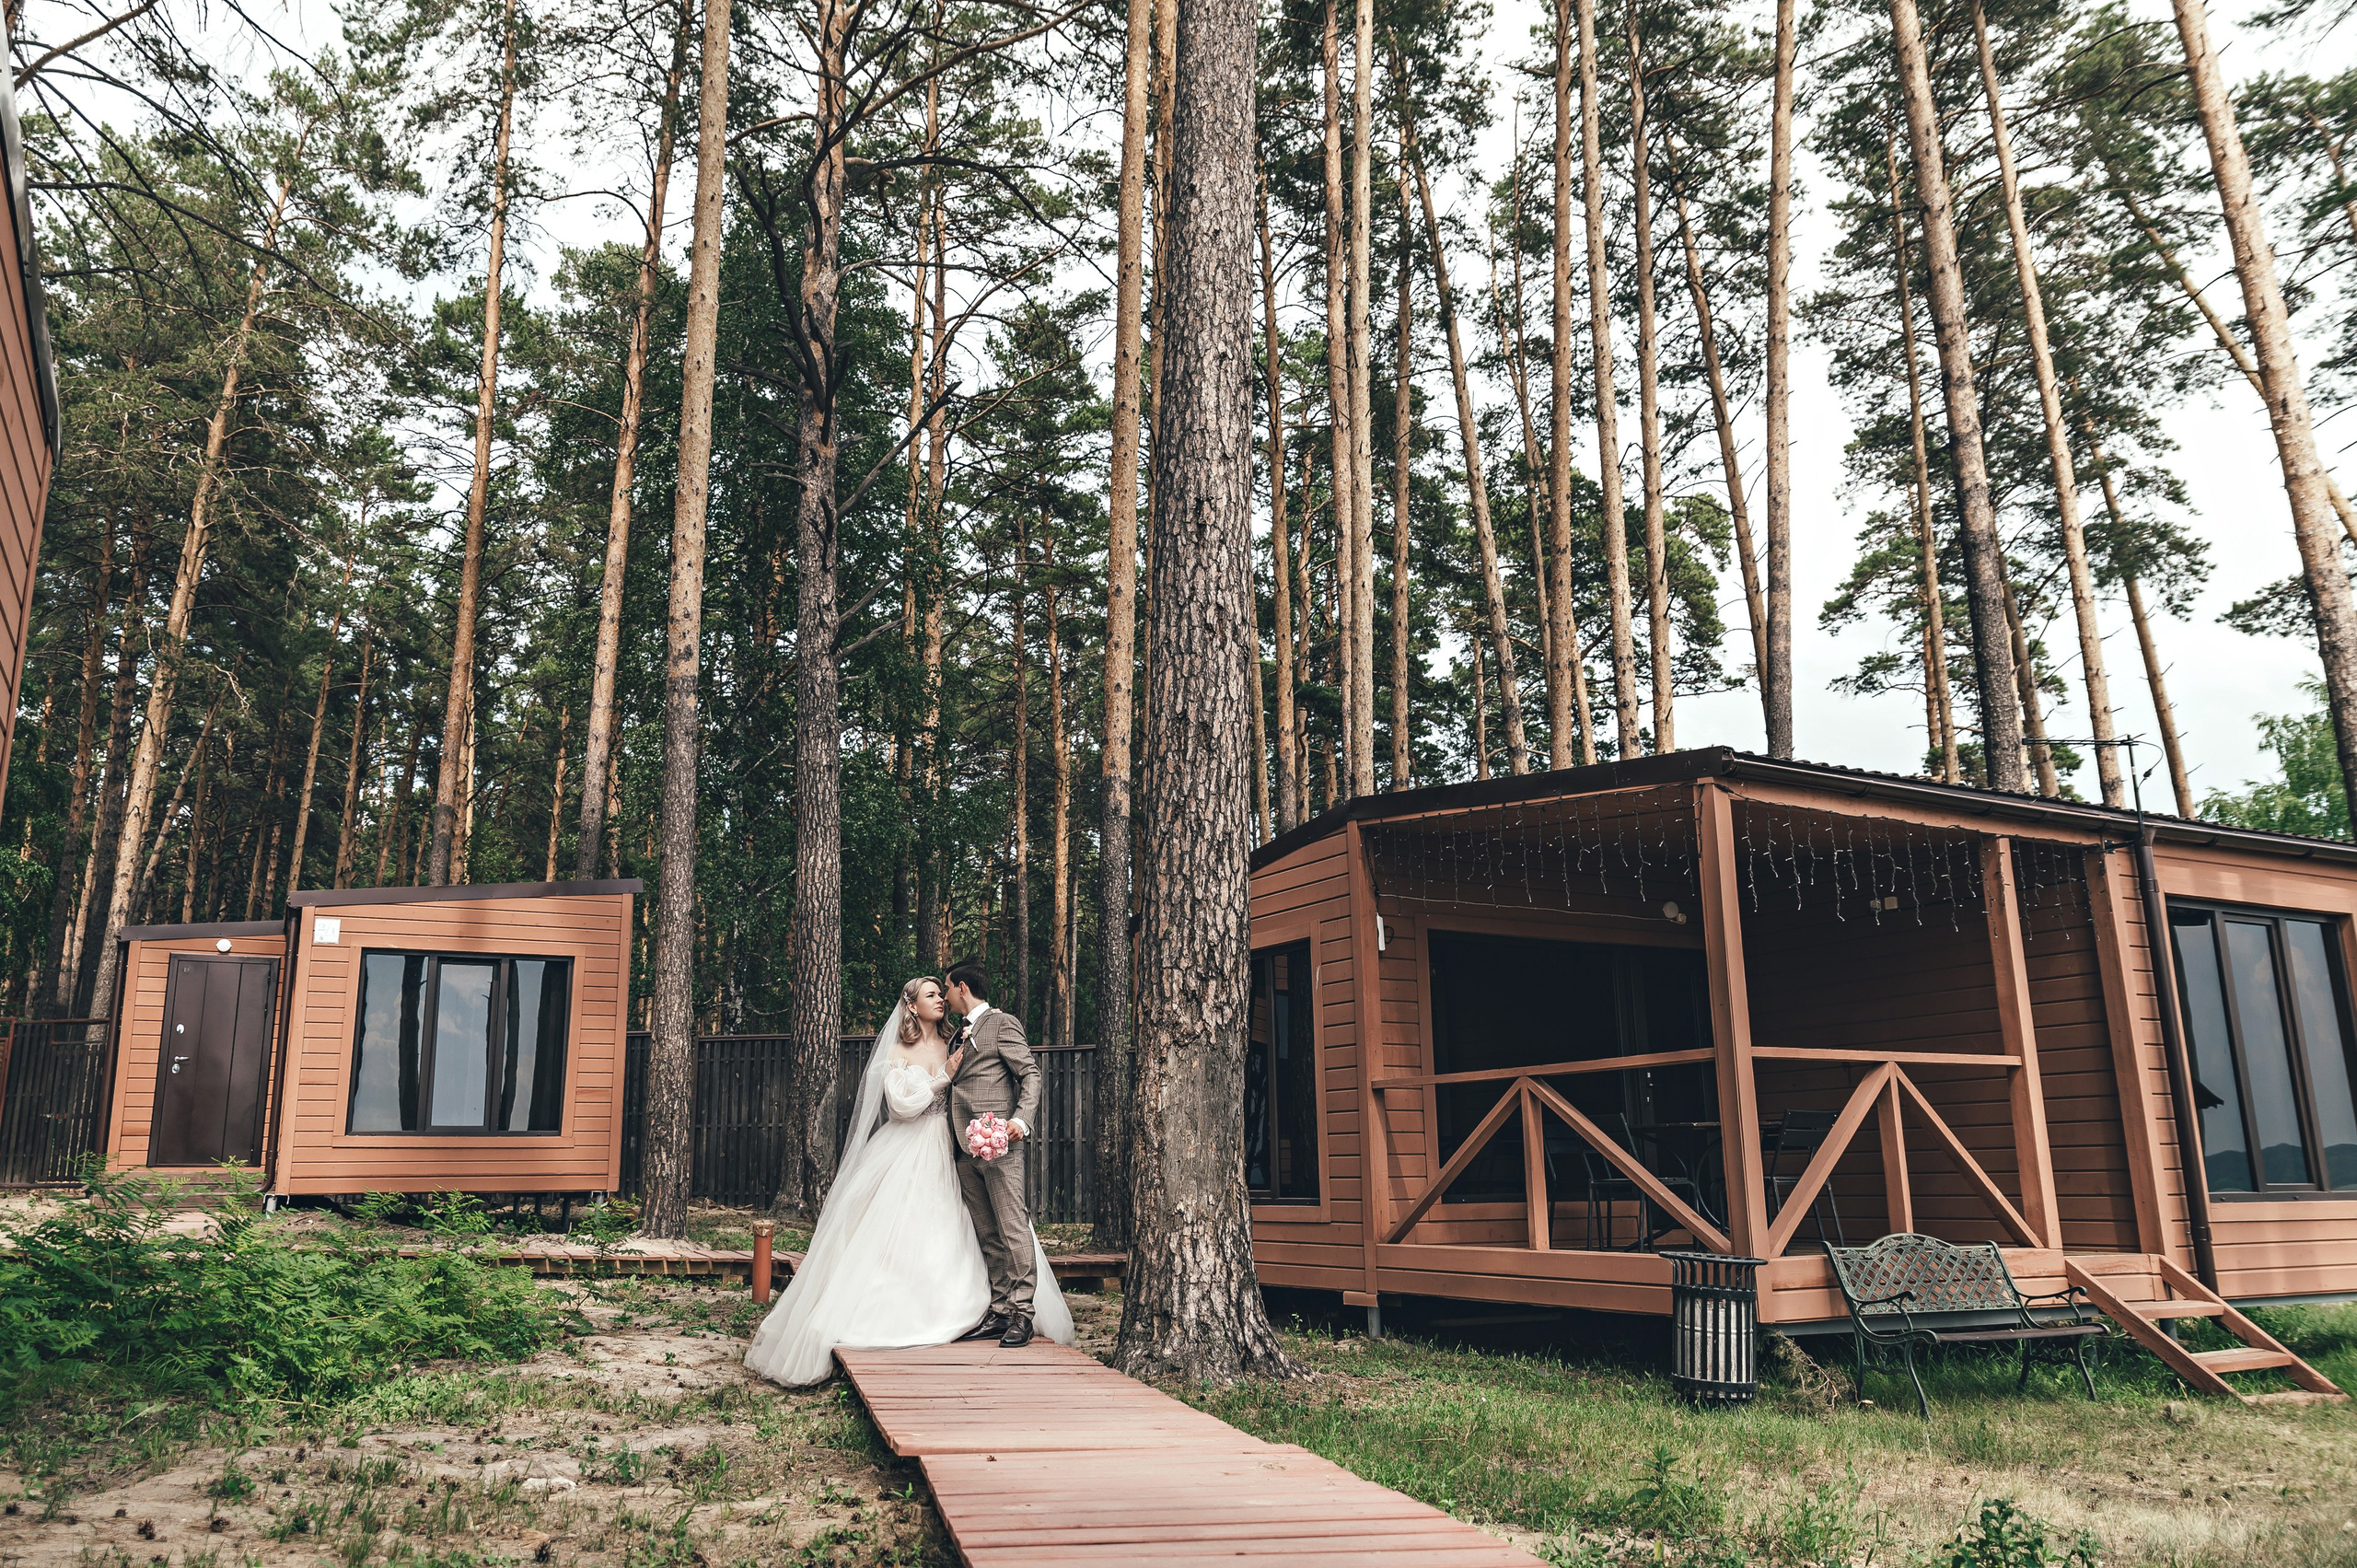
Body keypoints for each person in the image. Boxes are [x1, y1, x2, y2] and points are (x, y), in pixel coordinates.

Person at [743, 974, 1072, 1387]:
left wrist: (1010, 1120)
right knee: (913, 1231)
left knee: (981, 1227)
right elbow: (899, 1105)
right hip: (915, 1148)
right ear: (912, 1006)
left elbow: (1010, 1079)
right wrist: (943, 1076)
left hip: (958, 1147)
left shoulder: (962, 1036)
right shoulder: (902, 1049)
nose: (941, 1000)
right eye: (931, 995)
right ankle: (932, 1312)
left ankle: (1007, 1310)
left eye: (942, 992)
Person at [945, 961, 1041, 1346]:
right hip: (964, 1148)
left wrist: (1021, 1120)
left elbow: (1030, 1074)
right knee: (988, 1234)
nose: (946, 993)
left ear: (962, 987)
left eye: (948, 987)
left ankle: (1023, 1314)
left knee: (1011, 1227)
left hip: (1000, 1145)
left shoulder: (1002, 1024)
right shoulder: (957, 1034)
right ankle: (1000, 1311)